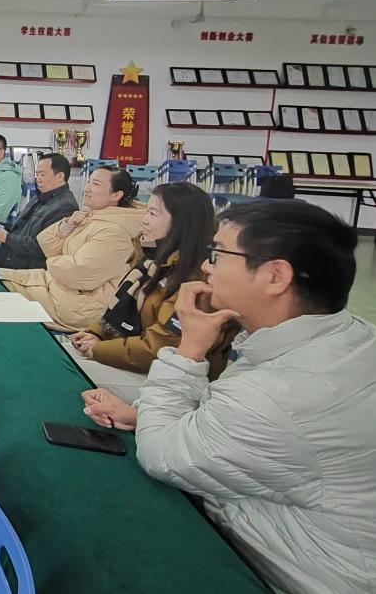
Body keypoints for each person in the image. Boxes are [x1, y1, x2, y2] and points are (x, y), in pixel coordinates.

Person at [82, 200, 375, 594]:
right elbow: (246, 426)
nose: (206, 268)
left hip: (293, 573)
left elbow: (161, 455)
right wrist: (143, 414)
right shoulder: (346, 336)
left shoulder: (279, 394)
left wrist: (189, 351)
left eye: (218, 254)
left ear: (275, 276)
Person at [67, 181, 234, 402]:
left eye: (153, 214)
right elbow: (119, 307)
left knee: (69, 371)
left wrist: (99, 349)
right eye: (147, 211)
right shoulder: (153, 260)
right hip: (134, 358)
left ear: (181, 223)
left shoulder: (196, 280)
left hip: (166, 379)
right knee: (62, 353)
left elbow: (162, 345)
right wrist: (97, 332)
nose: (144, 220)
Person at [0, 165, 144, 331]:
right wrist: (66, 226)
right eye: (88, 182)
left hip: (76, 305)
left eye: (96, 184)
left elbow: (79, 273)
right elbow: (45, 244)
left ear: (116, 195)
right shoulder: (92, 216)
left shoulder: (115, 232)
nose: (87, 188)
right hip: (58, 286)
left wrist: (52, 261)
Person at [0, 152, 78, 269]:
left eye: (42, 175)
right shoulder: (40, 196)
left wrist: (7, 238)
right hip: (10, 249)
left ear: (60, 176)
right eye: (37, 174)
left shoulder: (65, 207)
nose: (38, 179)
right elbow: (21, 226)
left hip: (23, 260)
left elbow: (43, 247)